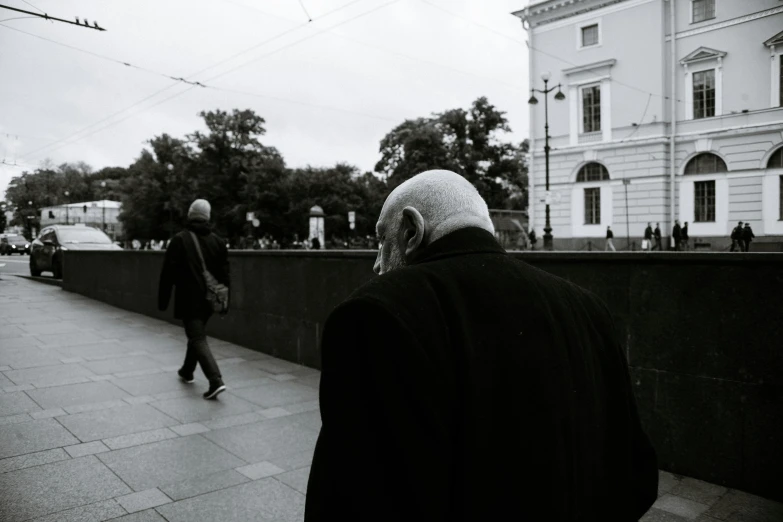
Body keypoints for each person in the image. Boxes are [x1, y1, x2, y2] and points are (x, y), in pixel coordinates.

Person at [305, 170, 658, 522]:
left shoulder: (375, 314)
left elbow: (353, 500)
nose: (377, 261)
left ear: (411, 230)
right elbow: (636, 474)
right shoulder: (587, 307)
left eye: (383, 240)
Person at [157, 199, 229, 400]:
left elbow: (167, 274)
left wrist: (163, 301)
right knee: (196, 334)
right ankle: (187, 371)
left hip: (189, 299)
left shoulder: (180, 240)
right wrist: (224, 302)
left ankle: (215, 380)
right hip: (210, 300)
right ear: (208, 217)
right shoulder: (218, 241)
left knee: (197, 337)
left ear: (190, 215)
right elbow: (225, 275)